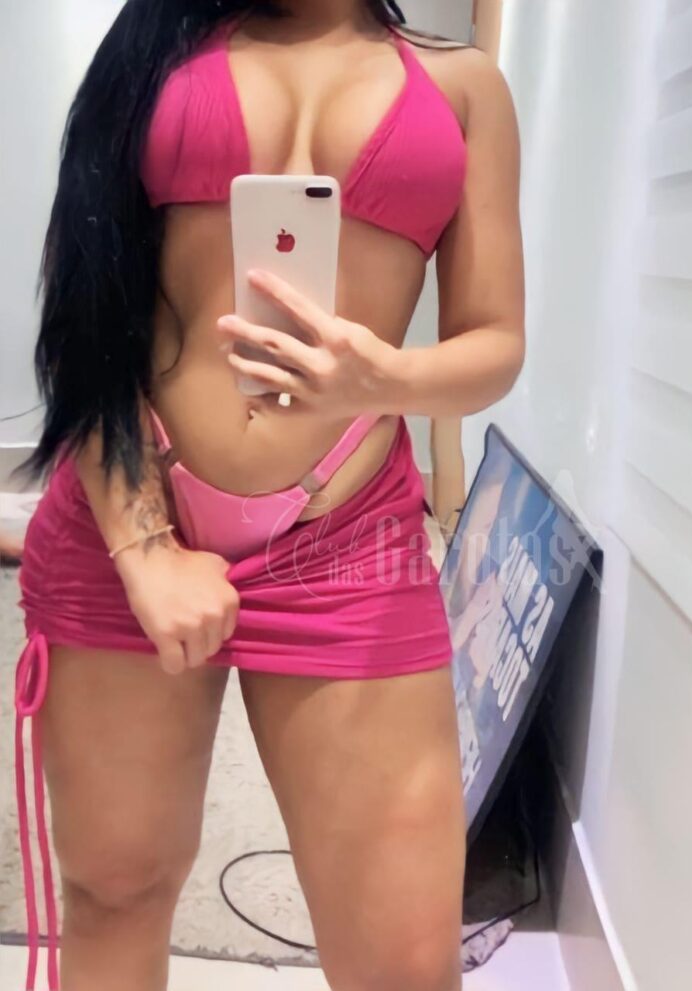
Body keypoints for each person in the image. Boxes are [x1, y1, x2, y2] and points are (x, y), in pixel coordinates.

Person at [13, 1, 525, 989]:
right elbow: (84, 309)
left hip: (348, 538)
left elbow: (495, 343)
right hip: (130, 509)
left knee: (403, 963)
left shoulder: (464, 88)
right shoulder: (157, 50)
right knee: (113, 891)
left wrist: (383, 378)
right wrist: (144, 549)